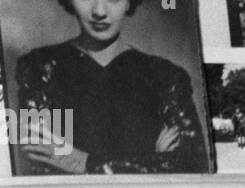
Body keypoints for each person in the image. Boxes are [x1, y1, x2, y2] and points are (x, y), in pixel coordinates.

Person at [16, 0, 210, 175]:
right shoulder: (37, 68)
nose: (99, 11)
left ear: (129, 2)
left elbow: (193, 166)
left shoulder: (166, 77)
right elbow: (39, 163)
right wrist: (151, 160)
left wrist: (83, 163)